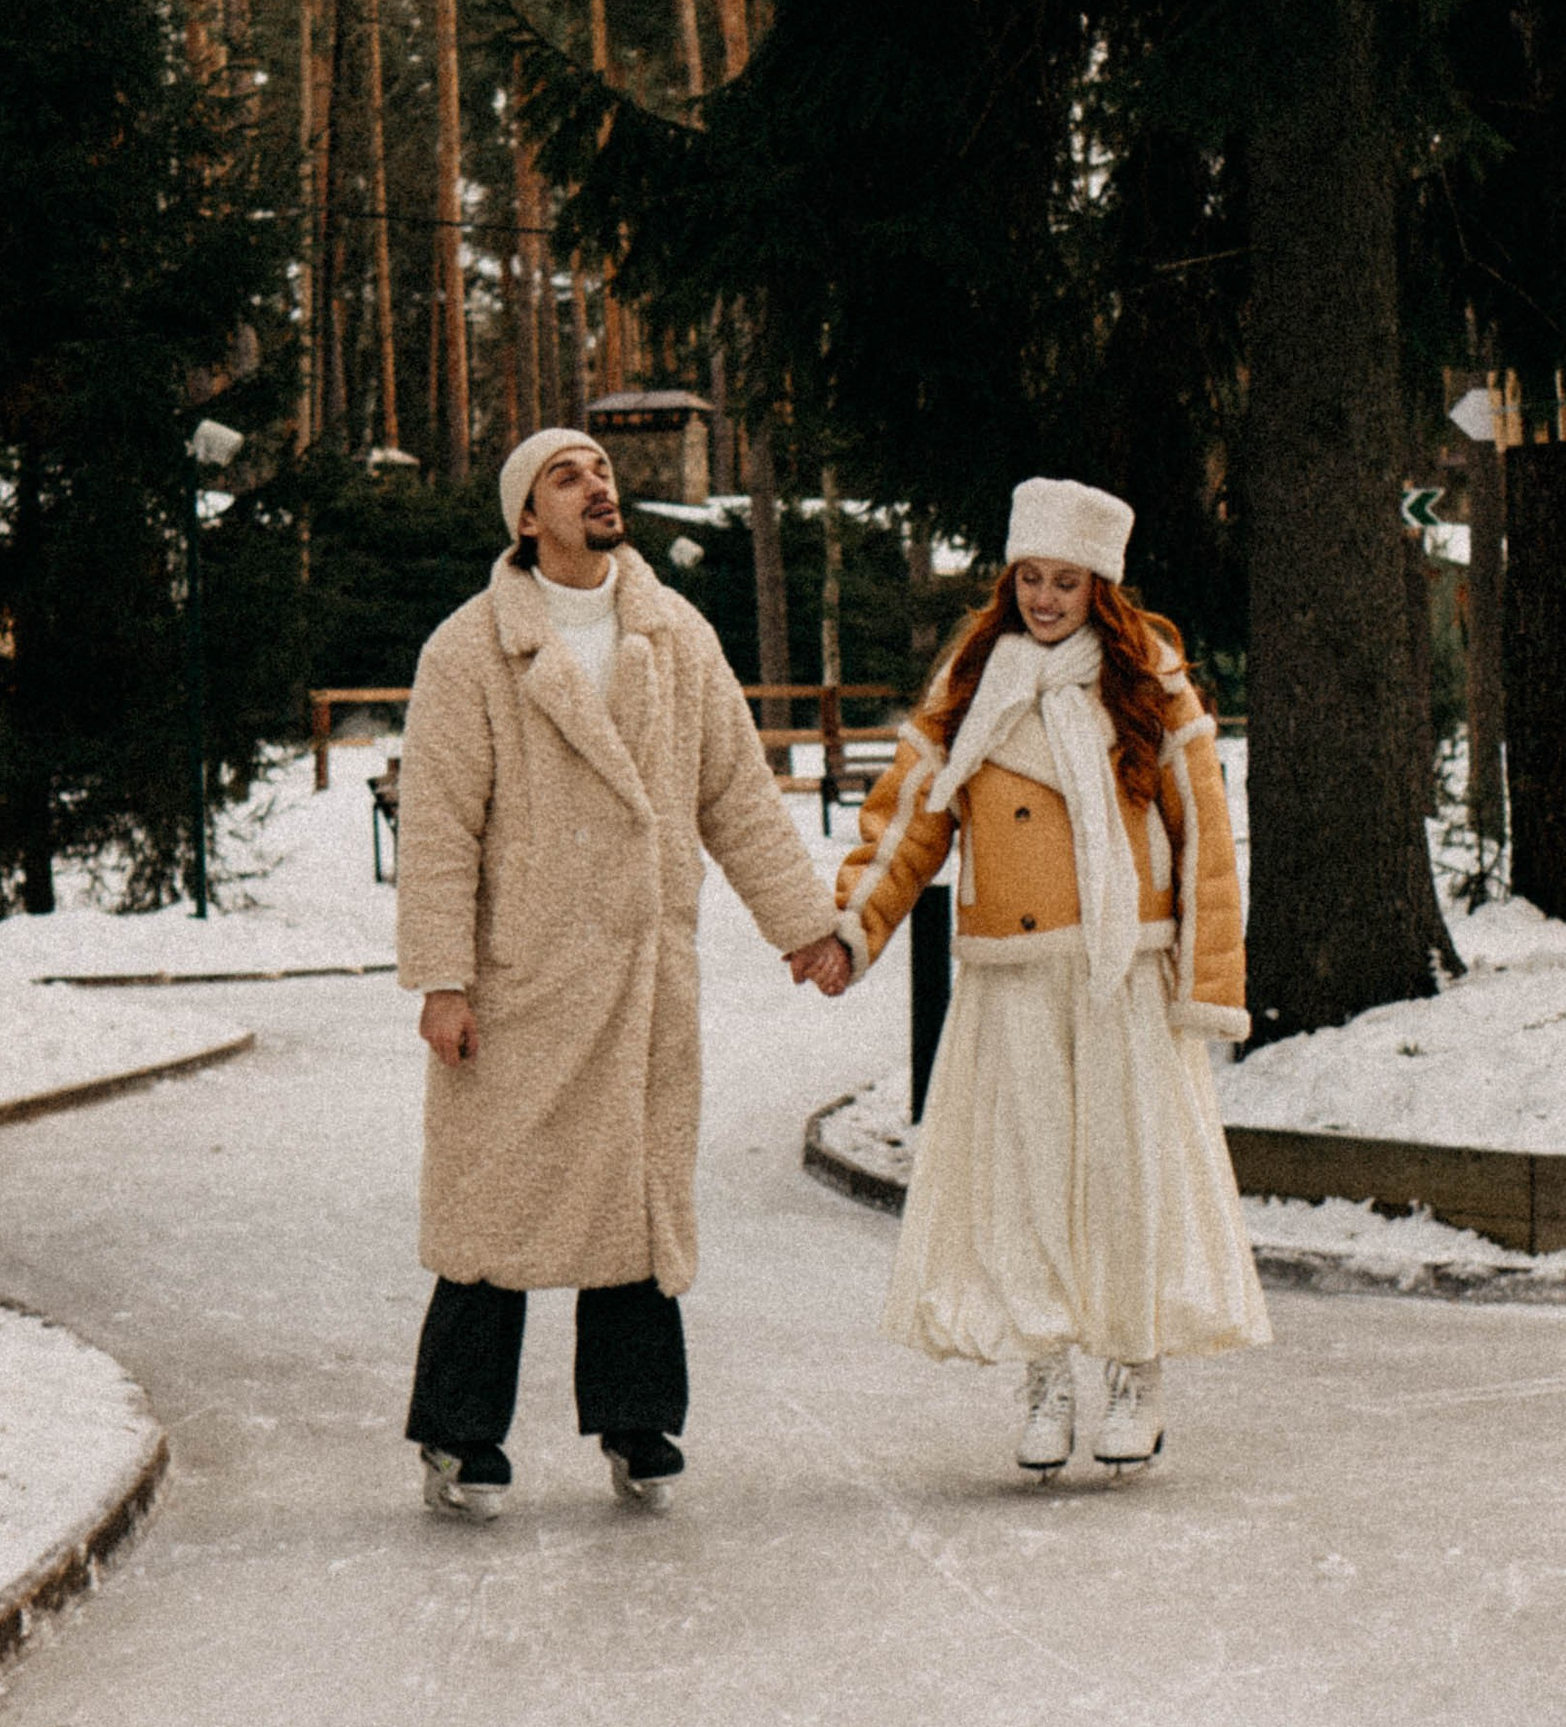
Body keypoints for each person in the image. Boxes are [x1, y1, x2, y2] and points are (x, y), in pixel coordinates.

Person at [394, 426, 851, 1524]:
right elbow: (441, 827)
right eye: (568, 476)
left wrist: (803, 926)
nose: (596, 485)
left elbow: (735, 793)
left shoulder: (673, 634)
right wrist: (444, 981)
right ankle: (459, 1437)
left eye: (600, 469)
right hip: (522, 983)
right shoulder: (471, 651)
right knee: (495, 1209)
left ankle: (636, 1422)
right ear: (525, 518)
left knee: (638, 1200)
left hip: (644, 975)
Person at [824, 476, 1269, 1475]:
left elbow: (1203, 837)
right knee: (1026, 1183)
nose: (1044, 598)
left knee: (1124, 1177)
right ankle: (1047, 1374)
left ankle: (1135, 1372)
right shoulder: (973, 684)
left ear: (1099, 586)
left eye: (1066, 581)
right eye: (1030, 577)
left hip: (1124, 974)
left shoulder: (1148, 680)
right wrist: (853, 928)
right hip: (1013, 975)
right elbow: (907, 817)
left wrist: (1206, 981)